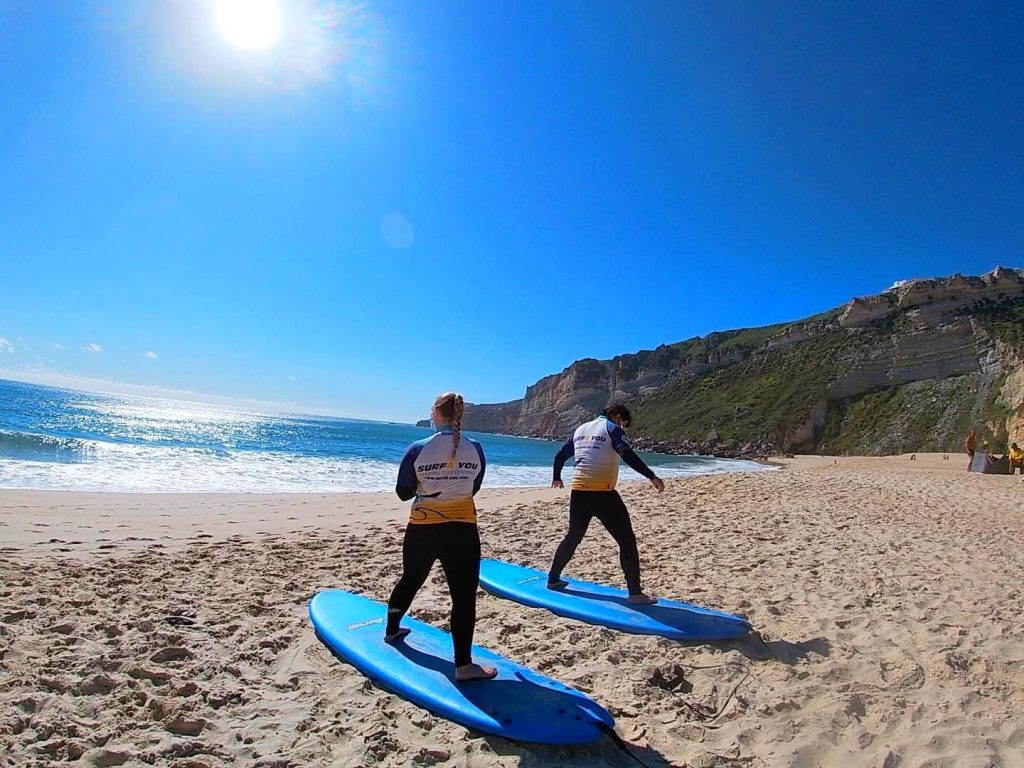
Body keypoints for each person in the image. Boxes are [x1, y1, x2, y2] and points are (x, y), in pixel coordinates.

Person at [384, 392, 496, 682]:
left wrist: (428, 487)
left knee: (410, 580)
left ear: (435, 412)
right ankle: (463, 666)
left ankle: (392, 630)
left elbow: (402, 493)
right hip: (461, 529)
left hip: (422, 527)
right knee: (463, 597)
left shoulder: (417, 448)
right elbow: (474, 488)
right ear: (459, 415)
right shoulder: (477, 448)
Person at [548, 404, 665, 604]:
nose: (622, 426)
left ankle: (552, 580)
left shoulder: (580, 430)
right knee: (626, 541)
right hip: (603, 494)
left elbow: (560, 456)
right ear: (617, 416)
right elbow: (625, 453)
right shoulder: (612, 428)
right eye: (623, 422)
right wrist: (651, 476)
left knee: (573, 537)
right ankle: (635, 594)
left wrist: (557, 477)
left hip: (579, 493)